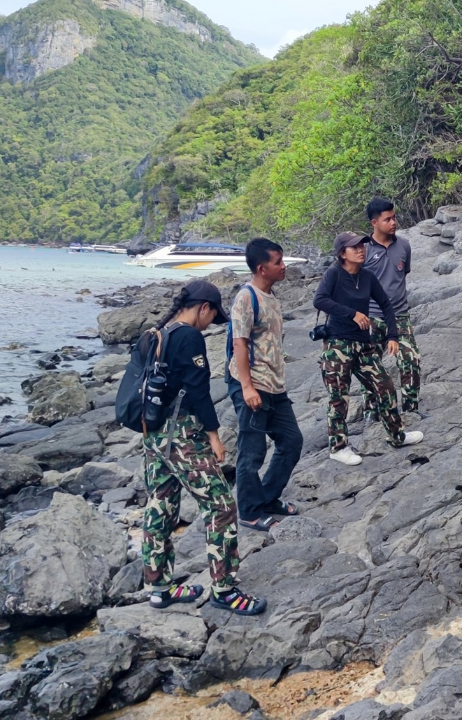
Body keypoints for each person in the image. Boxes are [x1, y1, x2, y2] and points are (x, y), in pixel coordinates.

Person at [143, 280, 265, 616]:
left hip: (153, 432)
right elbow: (198, 392)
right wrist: (213, 436)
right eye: (212, 317)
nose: (210, 324)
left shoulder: (158, 333)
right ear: (204, 308)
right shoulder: (189, 337)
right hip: (181, 434)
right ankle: (224, 590)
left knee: (161, 505)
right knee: (221, 506)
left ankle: (159, 589)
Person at [313, 231, 425, 466]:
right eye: (354, 247)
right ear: (342, 253)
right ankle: (338, 447)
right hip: (338, 344)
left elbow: (386, 305)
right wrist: (352, 314)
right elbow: (320, 300)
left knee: (385, 386)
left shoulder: (366, 276)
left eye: (362, 246)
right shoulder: (334, 273)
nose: (361, 250)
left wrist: (393, 336)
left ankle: (396, 435)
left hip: (363, 344)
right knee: (338, 396)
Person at [228, 238, 303, 532]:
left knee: (291, 441)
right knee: (252, 452)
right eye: (278, 262)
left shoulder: (271, 295)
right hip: (253, 385)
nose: (283, 266)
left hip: (274, 385)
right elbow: (239, 343)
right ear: (261, 268)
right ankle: (248, 512)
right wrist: (247, 388)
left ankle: (268, 498)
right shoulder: (246, 298)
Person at [358, 198, 423, 429]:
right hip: (372, 317)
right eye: (387, 219)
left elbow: (402, 275)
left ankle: (411, 409)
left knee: (411, 359)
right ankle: (371, 410)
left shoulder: (403, 245)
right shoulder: (364, 250)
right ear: (374, 223)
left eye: (394, 217)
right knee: (369, 364)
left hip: (399, 315)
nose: (393, 222)